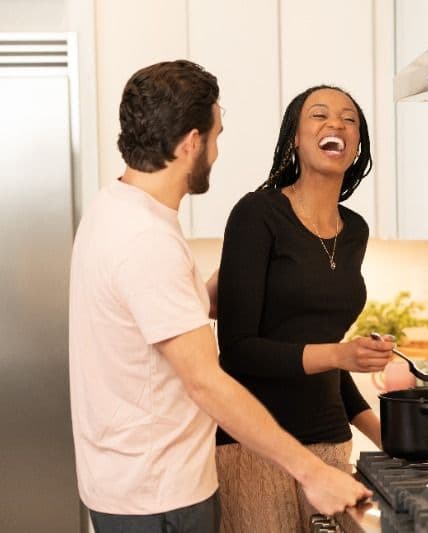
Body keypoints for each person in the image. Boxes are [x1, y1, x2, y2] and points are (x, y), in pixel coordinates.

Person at [68, 62, 371, 533]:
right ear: (192, 143)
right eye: (216, 136)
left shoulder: (116, 209)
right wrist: (311, 472)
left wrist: (225, 285)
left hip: (137, 483)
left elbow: (161, 312)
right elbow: (206, 380)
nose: (216, 150)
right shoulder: (146, 240)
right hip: (159, 494)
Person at [215, 85, 395, 532]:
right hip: (255, 448)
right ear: (294, 137)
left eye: (349, 119)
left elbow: (326, 359)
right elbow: (238, 350)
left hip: (331, 445)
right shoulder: (257, 215)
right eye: (319, 115)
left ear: (357, 144)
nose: (336, 123)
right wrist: (339, 353)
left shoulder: (355, 230)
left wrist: (386, 436)